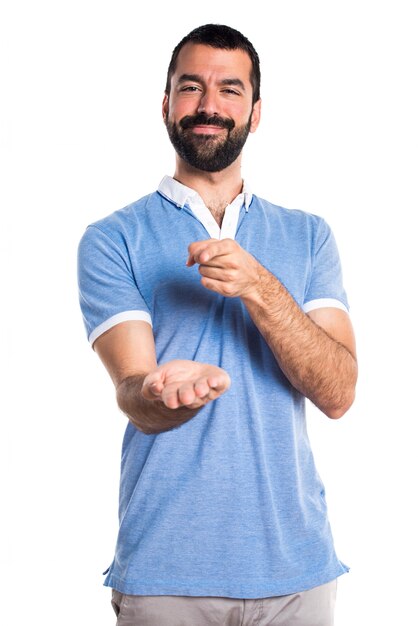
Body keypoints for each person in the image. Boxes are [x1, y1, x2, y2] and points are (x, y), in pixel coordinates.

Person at [78, 23, 357, 626]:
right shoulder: (112, 239)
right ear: (166, 105)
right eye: (191, 87)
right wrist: (160, 393)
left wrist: (259, 286)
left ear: (255, 113)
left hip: (298, 575)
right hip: (166, 575)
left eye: (230, 90)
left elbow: (338, 392)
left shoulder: (308, 236)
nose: (209, 106)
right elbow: (133, 391)